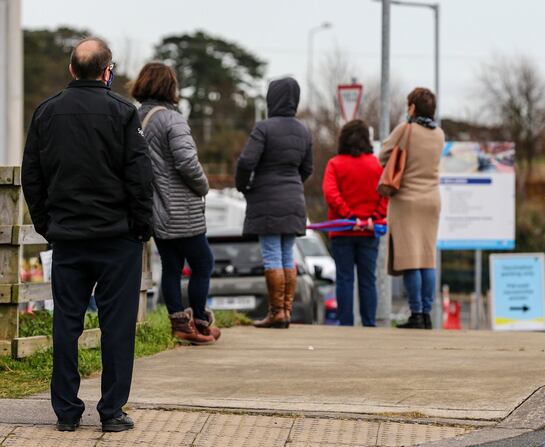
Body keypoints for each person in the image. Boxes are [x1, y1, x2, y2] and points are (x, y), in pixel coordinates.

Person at [21, 37, 152, 432]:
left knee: (66, 322)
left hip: (68, 238)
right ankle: (111, 412)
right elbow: (139, 177)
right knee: (117, 325)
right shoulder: (124, 113)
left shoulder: (46, 113)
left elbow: (32, 177)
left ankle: (66, 412)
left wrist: (47, 225)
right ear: (107, 71)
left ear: (71, 70)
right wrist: (140, 228)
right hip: (117, 239)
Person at [130, 62, 219, 345]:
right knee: (203, 263)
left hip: (154, 208)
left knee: (171, 266)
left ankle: (180, 323)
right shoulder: (172, 119)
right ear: (170, 87)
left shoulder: (134, 118)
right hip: (182, 208)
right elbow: (186, 162)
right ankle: (201, 323)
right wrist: (203, 185)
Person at [236, 77, 312, 328]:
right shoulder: (303, 130)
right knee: (288, 256)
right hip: (294, 199)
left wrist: (245, 185)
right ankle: (286, 311)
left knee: (271, 256)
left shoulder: (264, 128)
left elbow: (247, 162)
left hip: (266, 200)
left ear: (272, 98)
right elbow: (307, 168)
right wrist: (292, 184)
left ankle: (276, 312)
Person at [379, 88, 445, 330]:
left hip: (406, 201)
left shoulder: (405, 129)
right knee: (427, 258)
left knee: (410, 259)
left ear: (413, 107)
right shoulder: (439, 134)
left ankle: (416, 313)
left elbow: (383, 155)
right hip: (431, 201)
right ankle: (428, 314)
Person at [323, 120, 388, 326]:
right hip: (369, 231)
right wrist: (373, 217)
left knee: (344, 279)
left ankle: (346, 324)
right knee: (368, 280)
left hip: (342, 230)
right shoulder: (377, 165)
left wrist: (349, 217)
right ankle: (369, 324)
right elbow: (386, 195)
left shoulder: (335, 164)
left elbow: (330, 193)